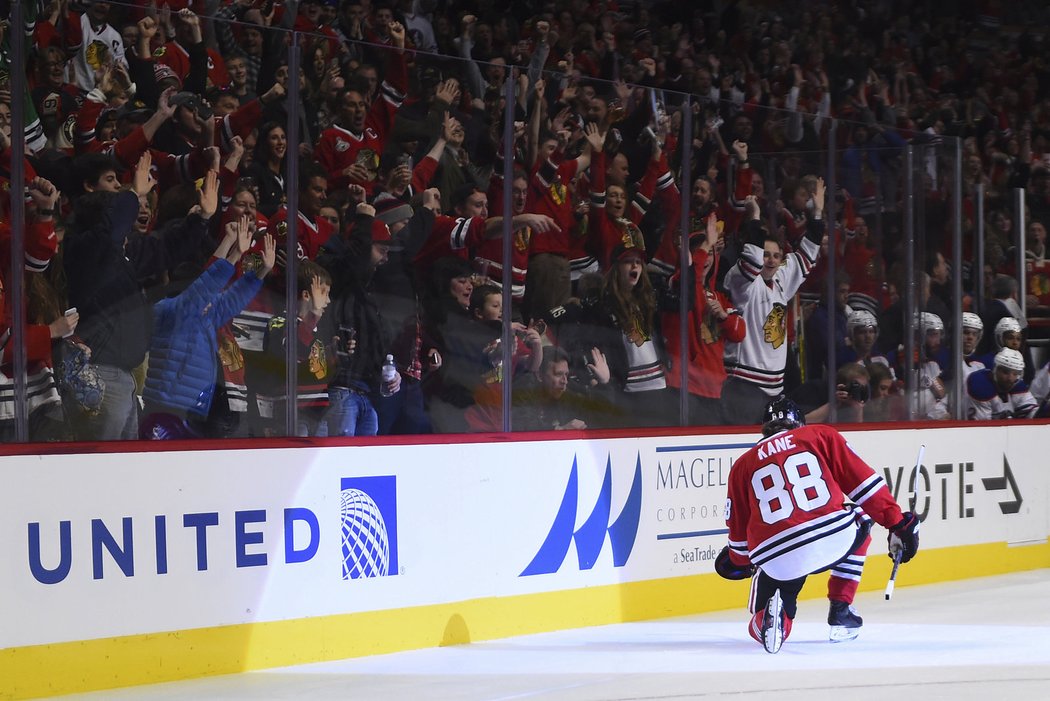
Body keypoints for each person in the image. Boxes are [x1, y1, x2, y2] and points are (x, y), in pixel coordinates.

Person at [715, 396, 921, 654]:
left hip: (778, 558)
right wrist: (897, 524)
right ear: (799, 423)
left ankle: (772, 618)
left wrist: (739, 561)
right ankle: (841, 609)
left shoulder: (742, 465)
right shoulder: (820, 435)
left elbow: (738, 529)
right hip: (833, 539)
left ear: (765, 427)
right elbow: (865, 486)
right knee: (862, 516)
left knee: (770, 600)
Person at [720, 179, 825, 425]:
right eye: (766, 254)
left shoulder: (781, 282)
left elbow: (809, 250)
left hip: (774, 389)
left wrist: (817, 213)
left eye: (776, 256)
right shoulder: (742, 281)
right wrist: (754, 217)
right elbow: (752, 259)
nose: (770, 260)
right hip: (744, 387)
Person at [965, 348, 1038, 420]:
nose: (1010, 378)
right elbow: (982, 428)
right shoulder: (981, 385)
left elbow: (1033, 414)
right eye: (1005, 372)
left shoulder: (1017, 385)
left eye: (1015, 373)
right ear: (995, 369)